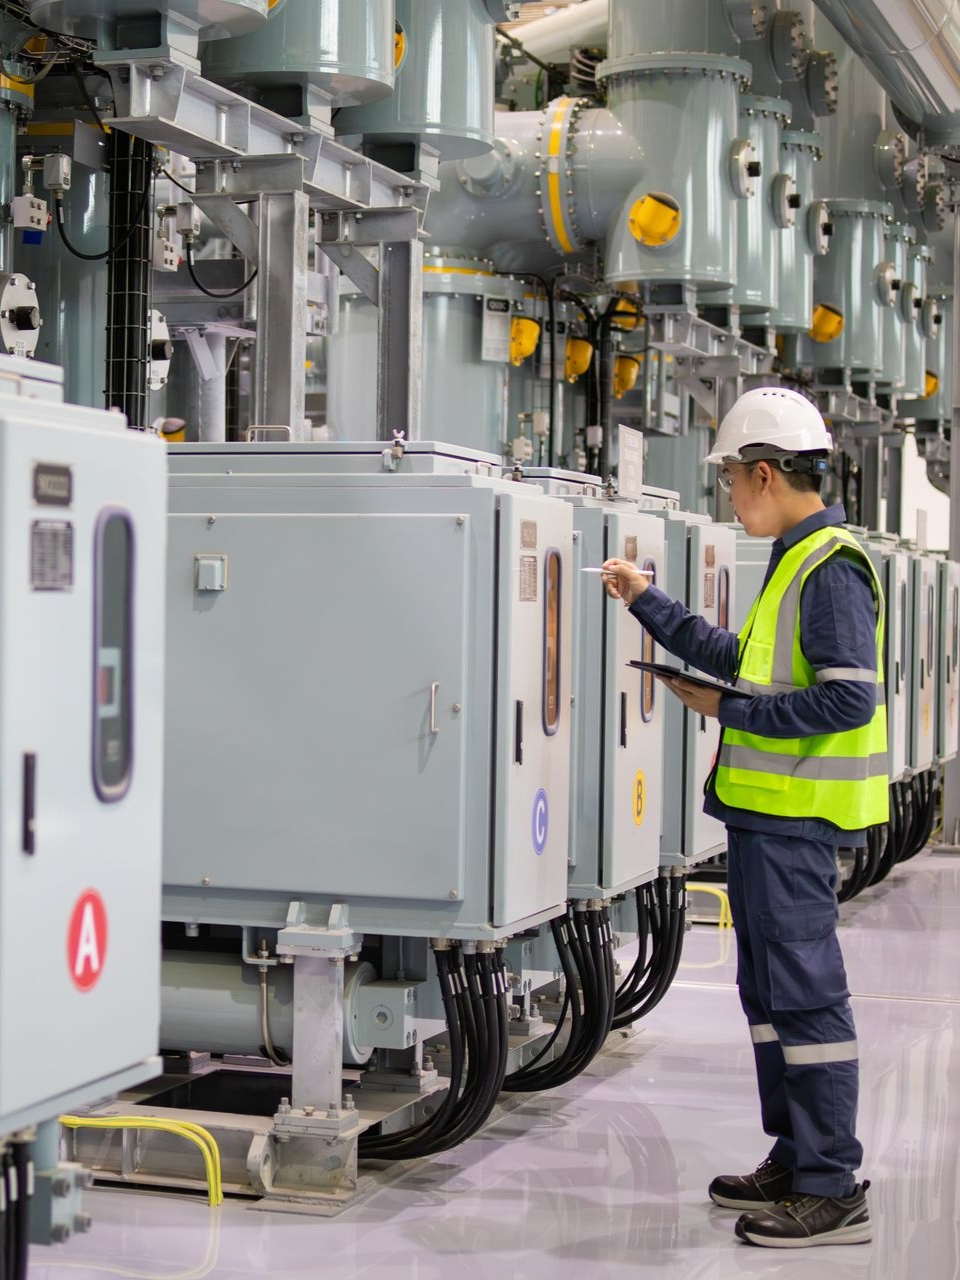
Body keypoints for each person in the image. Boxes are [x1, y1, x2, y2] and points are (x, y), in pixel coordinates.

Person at [602, 387, 887, 1250]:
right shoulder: (795, 559)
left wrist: (728, 714)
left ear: (765, 474)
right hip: (767, 820)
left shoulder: (829, 566)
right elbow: (747, 662)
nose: (729, 496)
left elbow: (844, 698)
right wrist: (648, 600)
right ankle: (796, 1156)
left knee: (805, 1000)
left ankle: (832, 1184)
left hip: (799, 820)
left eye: (732, 481)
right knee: (766, 996)